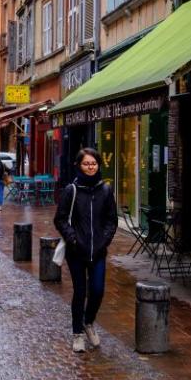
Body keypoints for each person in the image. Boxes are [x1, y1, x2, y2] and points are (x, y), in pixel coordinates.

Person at [53, 148, 117, 353]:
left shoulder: (106, 190)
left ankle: (88, 322)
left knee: (97, 290)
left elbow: (111, 220)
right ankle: (77, 334)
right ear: (79, 165)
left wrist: (104, 240)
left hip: (98, 250)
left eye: (93, 163)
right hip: (77, 251)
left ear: (98, 165)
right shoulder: (71, 190)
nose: (90, 167)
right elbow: (60, 219)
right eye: (86, 164)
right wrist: (72, 239)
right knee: (80, 292)